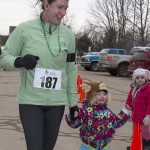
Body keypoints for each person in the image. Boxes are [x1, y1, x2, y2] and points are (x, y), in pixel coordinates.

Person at [0, 0, 78, 150]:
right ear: (46, 4)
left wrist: (72, 103)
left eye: (66, 8)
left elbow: (71, 69)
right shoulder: (25, 29)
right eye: (60, 7)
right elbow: (3, 57)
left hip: (56, 103)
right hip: (30, 102)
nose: (63, 13)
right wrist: (20, 61)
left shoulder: (68, 35)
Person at [65, 80, 131, 150]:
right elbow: (75, 124)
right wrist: (71, 116)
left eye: (104, 94)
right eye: (99, 94)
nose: (102, 96)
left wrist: (125, 112)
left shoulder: (108, 112)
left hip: (104, 146)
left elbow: (116, 122)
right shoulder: (85, 111)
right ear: (92, 96)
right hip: (88, 147)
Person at [125, 68, 150, 150]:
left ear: (146, 79)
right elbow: (129, 100)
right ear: (134, 79)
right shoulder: (133, 89)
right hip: (135, 117)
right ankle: (137, 144)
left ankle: (146, 144)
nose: (140, 80)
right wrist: (127, 109)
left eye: (142, 78)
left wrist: (148, 116)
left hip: (144, 118)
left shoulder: (148, 90)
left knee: (145, 133)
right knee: (136, 131)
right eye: (137, 78)